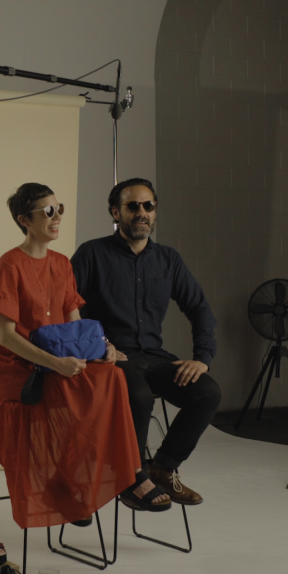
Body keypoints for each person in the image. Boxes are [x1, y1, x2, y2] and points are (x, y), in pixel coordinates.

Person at [0, 182, 171, 530]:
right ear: (25, 220)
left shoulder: (60, 264)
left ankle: (128, 472)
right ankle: (75, 484)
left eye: (60, 209)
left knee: (113, 375)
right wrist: (55, 364)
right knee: (89, 390)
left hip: (61, 364)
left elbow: (76, 328)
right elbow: (5, 336)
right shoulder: (8, 266)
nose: (57, 218)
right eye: (48, 211)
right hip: (24, 371)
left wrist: (102, 347)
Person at [71, 177, 222, 506]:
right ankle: (131, 475)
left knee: (207, 392)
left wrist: (202, 357)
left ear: (155, 211)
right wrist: (99, 346)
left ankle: (163, 468)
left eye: (148, 205)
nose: (142, 212)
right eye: (133, 206)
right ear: (116, 212)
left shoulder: (168, 259)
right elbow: (66, 308)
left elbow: (200, 309)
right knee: (137, 395)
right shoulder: (91, 254)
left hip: (153, 356)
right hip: (109, 358)